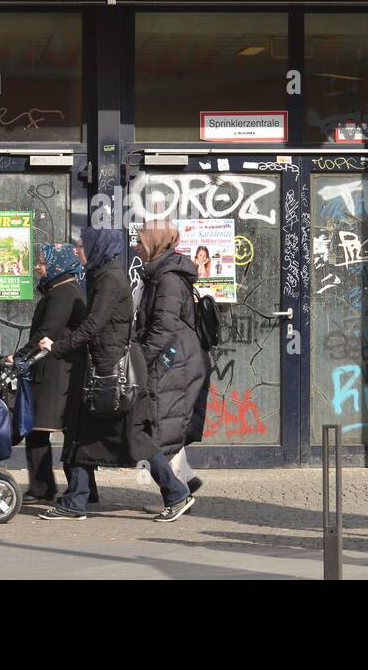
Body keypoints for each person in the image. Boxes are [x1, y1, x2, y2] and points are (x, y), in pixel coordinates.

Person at [37, 227, 180, 521]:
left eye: (81, 246)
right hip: (104, 369)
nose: (77, 251)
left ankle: (176, 493)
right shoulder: (101, 275)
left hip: (113, 374)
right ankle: (76, 500)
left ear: (96, 247)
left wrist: (57, 347)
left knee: (133, 438)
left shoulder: (110, 280)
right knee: (82, 434)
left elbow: (93, 326)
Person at [135, 221, 211, 509]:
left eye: (140, 241)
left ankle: (177, 494)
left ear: (156, 243)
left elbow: (163, 327)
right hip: (176, 358)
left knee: (158, 428)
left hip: (173, 361)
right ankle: (184, 482)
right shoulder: (162, 274)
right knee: (166, 425)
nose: (136, 247)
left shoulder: (167, 278)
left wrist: (139, 359)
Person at [14, 243, 88, 503]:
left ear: (58, 264)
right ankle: (79, 490)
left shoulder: (63, 292)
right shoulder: (63, 288)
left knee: (37, 428)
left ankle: (45, 487)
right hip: (60, 369)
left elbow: (48, 331)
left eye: (43, 262)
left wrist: (20, 355)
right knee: (63, 430)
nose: (37, 266)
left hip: (57, 372)